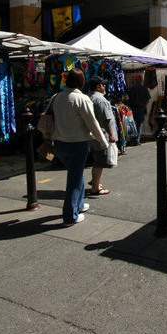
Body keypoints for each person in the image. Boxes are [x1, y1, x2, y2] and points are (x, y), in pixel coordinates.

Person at [51, 68, 108, 226]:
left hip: (59, 142)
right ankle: (70, 216)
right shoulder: (82, 99)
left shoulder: (57, 97)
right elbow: (93, 123)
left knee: (76, 175)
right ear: (82, 82)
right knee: (74, 180)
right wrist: (103, 142)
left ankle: (80, 204)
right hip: (77, 144)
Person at [87, 76, 117, 196]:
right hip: (101, 135)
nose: (105, 86)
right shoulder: (100, 100)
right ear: (97, 87)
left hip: (93, 134)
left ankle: (95, 181)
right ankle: (95, 187)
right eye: (103, 85)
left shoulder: (90, 97)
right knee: (99, 161)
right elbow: (106, 120)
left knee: (97, 159)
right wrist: (111, 134)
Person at [126, 73, 150, 146]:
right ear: (141, 80)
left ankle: (131, 139)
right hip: (140, 108)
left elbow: (127, 99)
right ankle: (137, 140)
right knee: (139, 125)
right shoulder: (144, 88)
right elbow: (147, 99)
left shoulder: (131, 88)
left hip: (132, 108)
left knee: (131, 124)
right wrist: (145, 106)